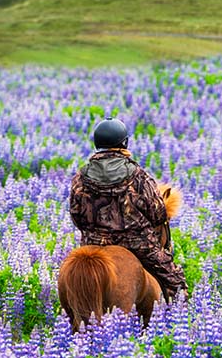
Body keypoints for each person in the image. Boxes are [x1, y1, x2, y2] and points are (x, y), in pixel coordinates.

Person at [69, 118, 187, 300]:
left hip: (93, 242)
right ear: (124, 142)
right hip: (138, 244)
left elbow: (76, 215)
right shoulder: (138, 175)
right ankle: (180, 315)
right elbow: (157, 214)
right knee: (174, 281)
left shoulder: (81, 176)